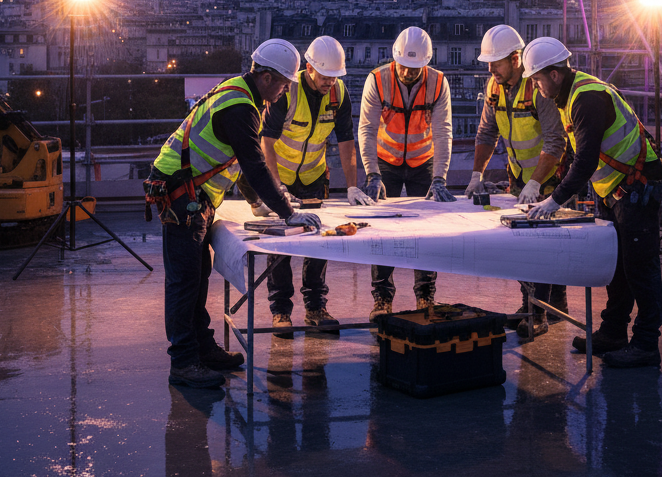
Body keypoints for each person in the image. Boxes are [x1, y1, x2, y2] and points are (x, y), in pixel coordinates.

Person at [144, 39, 322, 389]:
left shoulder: (239, 91)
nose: (286, 90)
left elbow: (236, 161)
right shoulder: (242, 108)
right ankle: (183, 361)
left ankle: (202, 349)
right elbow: (254, 165)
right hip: (182, 194)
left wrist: (259, 201)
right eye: (285, 83)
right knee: (184, 282)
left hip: (191, 192)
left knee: (195, 277)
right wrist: (287, 213)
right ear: (268, 77)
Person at [523, 37, 662, 369]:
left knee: (640, 269)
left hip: (637, 187)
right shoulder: (567, 95)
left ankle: (646, 343)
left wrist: (554, 201)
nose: (535, 85)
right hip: (617, 189)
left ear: (556, 74)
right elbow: (579, 154)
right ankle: (614, 332)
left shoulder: (585, 98)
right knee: (619, 268)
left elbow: (585, 162)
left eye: (537, 78)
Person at [259, 36, 374, 337]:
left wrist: (352, 186)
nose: (329, 82)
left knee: (319, 241)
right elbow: (267, 142)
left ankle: (315, 307)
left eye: (335, 76)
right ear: (308, 68)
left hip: (313, 176)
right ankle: (281, 311)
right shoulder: (287, 91)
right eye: (324, 76)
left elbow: (347, 139)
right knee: (281, 246)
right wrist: (275, 188)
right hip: (281, 176)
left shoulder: (338, 93)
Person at [465, 25, 568, 341]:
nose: (490, 68)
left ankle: (535, 314)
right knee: (529, 248)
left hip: (548, 179)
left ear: (515, 59)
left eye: (495, 62)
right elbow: (486, 133)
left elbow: (555, 141)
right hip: (519, 179)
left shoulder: (537, 86)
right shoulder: (495, 87)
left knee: (544, 249)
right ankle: (548, 307)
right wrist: (476, 174)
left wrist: (537, 182)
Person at [358, 26, 455, 319]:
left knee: (425, 233)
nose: (408, 73)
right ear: (395, 59)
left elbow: (443, 132)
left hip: (423, 161)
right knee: (382, 232)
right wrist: (372, 173)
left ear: (425, 64)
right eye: (404, 67)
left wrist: (440, 178)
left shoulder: (438, 83)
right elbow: (367, 128)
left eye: (415, 69)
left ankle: (426, 296)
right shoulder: (377, 79)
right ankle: (382, 299)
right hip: (385, 161)